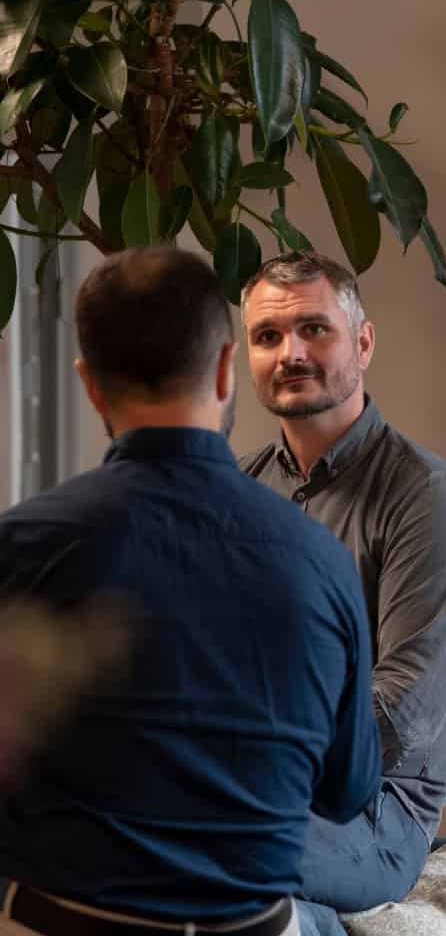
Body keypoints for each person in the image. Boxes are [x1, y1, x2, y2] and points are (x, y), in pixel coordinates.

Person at [0, 247, 381, 936]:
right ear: (228, 367)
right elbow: (346, 790)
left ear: (90, 383)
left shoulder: (19, 549)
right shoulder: (322, 564)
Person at [239, 252, 446, 918]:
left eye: (313, 329)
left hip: (373, 813)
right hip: (244, 784)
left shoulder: (426, 499)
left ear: (364, 343)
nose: (290, 353)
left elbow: (402, 712)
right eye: (268, 336)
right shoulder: (234, 490)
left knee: (209, 840)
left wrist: (250, 769)